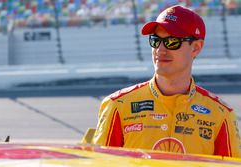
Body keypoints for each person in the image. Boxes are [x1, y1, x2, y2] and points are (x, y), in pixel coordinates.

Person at [92, 5, 241, 157]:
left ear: (196, 48)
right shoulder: (117, 105)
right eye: (155, 40)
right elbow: (100, 162)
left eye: (172, 42)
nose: (160, 50)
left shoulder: (220, 114)